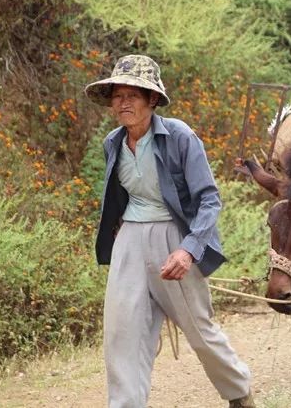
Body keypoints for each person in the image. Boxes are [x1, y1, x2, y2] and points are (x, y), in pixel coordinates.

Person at [84, 54, 254, 408]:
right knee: (121, 333)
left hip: (174, 238)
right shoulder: (113, 143)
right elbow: (118, 197)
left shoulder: (180, 137)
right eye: (118, 95)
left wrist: (188, 249)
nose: (124, 102)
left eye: (134, 94)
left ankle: (239, 394)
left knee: (200, 330)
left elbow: (209, 199)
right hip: (129, 240)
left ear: (153, 100)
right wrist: (120, 234)